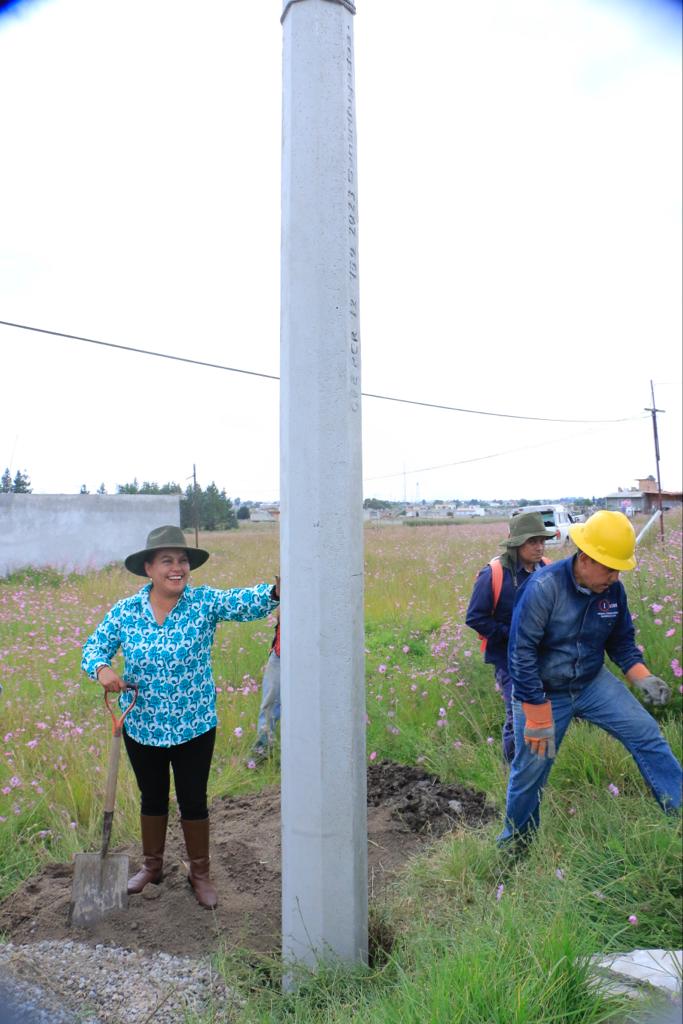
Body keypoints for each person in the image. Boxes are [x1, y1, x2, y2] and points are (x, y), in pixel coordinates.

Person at [81, 524, 279, 908]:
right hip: (142, 724)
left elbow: (241, 601)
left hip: (194, 725)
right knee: (151, 798)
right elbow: (94, 648)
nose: (177, 568)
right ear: (149, 569)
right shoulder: (126, 611)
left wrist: (273, 592)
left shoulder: (203, 603)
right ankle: (152, 867)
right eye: (167, 561)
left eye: (183, 561)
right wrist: (102, 671)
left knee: (193, 799)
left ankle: (199, 872)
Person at [499, 510, 681, 846]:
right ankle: (515, 847)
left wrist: (640, 675)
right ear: (585, 558)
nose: (614, 577)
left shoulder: (613, 592)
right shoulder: (543, 588)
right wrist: (536, 711)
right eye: (609, 568)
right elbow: (520, 654)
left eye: (618, 569)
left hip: (591, 683)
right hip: (543, 692)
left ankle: (679, 812)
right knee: (531, 770)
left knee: (646, 733)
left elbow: (621, 640)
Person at [466, 511, 555, 763]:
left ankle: (539, 765)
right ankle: (513, 771)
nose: (539, 547)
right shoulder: (493, 574)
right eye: (532, 542)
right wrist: (515, 635)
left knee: (544, 709)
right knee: (516, 715)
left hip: (544, 655)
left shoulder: (547, 568)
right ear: (516, 543)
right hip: (508, 658)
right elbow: (475, 617)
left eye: (542, 541)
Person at [250, 606, 281, 764]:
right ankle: (263, 752)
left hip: (307, 653)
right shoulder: (286, 583)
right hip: (280, 653)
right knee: (269, 705)